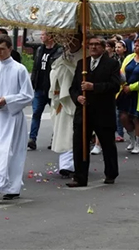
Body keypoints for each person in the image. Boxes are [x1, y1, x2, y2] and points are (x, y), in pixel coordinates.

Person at [0, 34, 34, 203]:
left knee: (12, 153)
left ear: (10, 49)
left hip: (13, 117)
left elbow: (27, 95)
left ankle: (1, 188)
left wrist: (7, 100)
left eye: (2, 49)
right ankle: (8, 186)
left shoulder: (19, 69)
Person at [68, 35, 121, 187]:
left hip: (103, 111)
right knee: (80, 144)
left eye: (97, 45)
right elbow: (73, 88)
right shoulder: (81, 64)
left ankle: (111, 173)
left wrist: (94, 87)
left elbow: (114, 86)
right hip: (84, 111)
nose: (93, 47)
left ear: (103, 48)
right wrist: (78, 97)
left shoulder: (112, 64)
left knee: (107, 143)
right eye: (90, 44)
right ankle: (80, 176)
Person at [49, 33, 83, 177]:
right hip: (61, 98)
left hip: (74, 99)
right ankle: (65, 164)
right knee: (62, 131)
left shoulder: (83, 56)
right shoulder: (63, 54)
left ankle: (71, 164)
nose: (70, 43)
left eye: (73, 40)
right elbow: (54, 69)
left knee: (72, 132)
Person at [28, 31, 63, 150]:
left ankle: (56, 138)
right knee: (36, 113)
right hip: (39, 87)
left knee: (55, 114)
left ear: (50, 36)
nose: (41, 37)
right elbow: (36, 67)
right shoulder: (39, 50)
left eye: (43, 35)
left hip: (52, 87)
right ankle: (32, 139)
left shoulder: (59, 51)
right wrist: (33, 82)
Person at [117, 37, 139, 154]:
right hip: (125, 91)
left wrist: (131, 87)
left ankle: (138, 143)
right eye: (134, 45)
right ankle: (132, 138)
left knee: (136, 118)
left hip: (138, 93)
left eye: (137, 46)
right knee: (123, 117)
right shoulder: (129, 57)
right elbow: (122, 71)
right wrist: (124, 85)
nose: (135, 48)